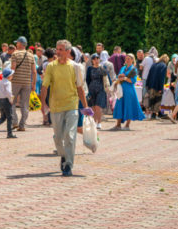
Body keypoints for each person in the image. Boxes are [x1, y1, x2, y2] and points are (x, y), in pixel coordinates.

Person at [40, 40, 92, 177]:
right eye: (57, 49)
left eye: (61, 49)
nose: (58, 52)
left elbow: (80, 87)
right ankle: (63, 155)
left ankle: (68, 164)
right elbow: (45, 86)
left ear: (68, 52)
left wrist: (85, 107)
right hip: (56, 107)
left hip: (71, 106)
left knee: (70, 135)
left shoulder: (75, 67)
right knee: (58, 138)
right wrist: (43, 104)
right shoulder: (51, 67)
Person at [112, 54, 145, 130]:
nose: (127, 60)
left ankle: (127, 125)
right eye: (126, 59)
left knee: (129, 106)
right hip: (121, 90)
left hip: (129, 90)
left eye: (129, 59)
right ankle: (118, 125)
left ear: (132, 60)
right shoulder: (123, 68)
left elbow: (133, 81)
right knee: (119, 105)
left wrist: (125, 78)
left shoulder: (133, 69)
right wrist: (119, 78)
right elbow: (118, 77)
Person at [10, 36, 37, 132]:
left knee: (11, 102)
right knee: (24, 104)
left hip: (16, 82)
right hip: (27, 83)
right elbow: (34, 71)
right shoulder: (31, 55)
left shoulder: (15, 54)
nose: (16, 44)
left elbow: (13, 68)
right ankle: (22, 125)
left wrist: (9, 79)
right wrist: (33, 84)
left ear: (20, 44)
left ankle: (14, 122)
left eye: (17, 43)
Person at [86, 54, 108, 129]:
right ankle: (94, 122)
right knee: (93, 107)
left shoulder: (103, 67)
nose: (96, 60)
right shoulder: (89, 69)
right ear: (92, 60)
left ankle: (99, 122)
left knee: (98, 107)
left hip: (101, 89)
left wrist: (109, 87)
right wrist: (87, 90)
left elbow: (107, 79)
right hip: (92, 89)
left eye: (97, 59)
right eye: (94, 59)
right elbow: (87, 80)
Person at [145, 54, 169, 119]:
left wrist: (147, 84)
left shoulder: (154, 64)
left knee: (152, 99)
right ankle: (154, 114)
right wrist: (161, 87)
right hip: (157, 85)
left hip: (151, 84)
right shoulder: (163, 66)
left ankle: (154, 114)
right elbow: (162, 78)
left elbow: (149, 75)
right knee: (157, 100)